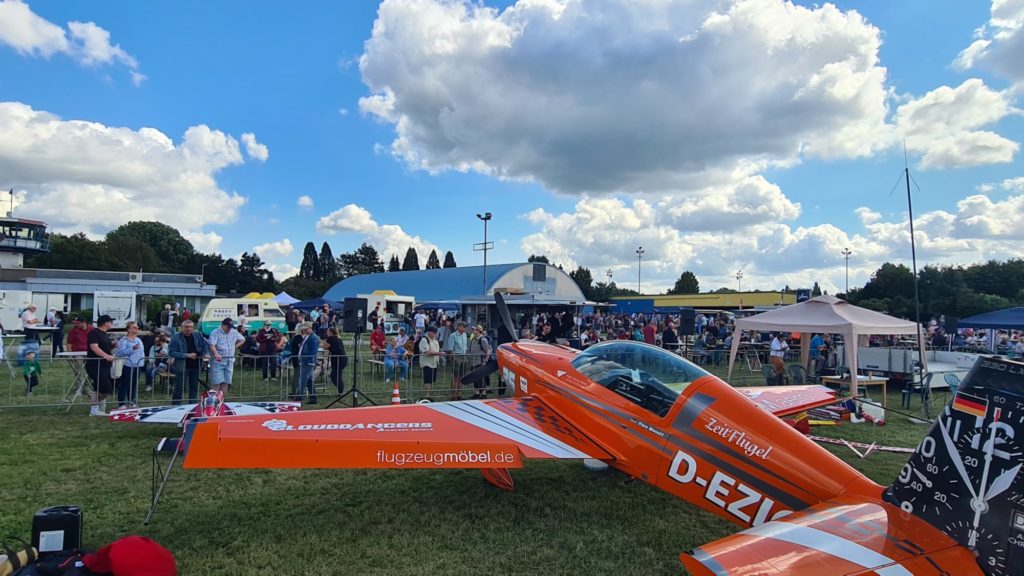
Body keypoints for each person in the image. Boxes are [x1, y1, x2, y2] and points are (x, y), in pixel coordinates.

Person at [169, 320, 209, 405]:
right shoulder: (176, 337)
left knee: (194, 387)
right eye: (186, 327)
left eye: (190, 327)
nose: (189, 329)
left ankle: (192, 405)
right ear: (182, 327)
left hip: (196, 365)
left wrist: (205, 353)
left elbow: (205, 344)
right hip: (182, 366)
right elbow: (171, 352)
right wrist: (186, 355)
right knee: (179, 388)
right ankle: (175, 406)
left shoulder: (198, 335)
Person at [87, 315, 116, 416]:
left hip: (105, 365)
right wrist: (106, 356)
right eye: (111, 321)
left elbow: (104, 347)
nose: (112, 323)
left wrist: (113, 346)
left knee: (99, 387)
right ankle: (94, 405)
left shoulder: (105, 334)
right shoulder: (94, 333)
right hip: (95, 364)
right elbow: (94, 347)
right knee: (105, 388)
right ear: (105, 323)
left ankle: (94, 408)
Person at [208, 317, 245, 396]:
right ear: (223, 325)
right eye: (228, 327)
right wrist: (216, 353)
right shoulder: (215, 332)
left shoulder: (234, 332)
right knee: (216, 383)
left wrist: (235, 346)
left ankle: (222, 402)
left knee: (226, 383)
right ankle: (213, 402)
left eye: (230, 327)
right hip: (218, 362)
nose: (229, 329)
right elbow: (212, 344)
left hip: (229, 361)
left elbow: (242, 339)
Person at [114, 321, 145, 409]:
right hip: (127, 365)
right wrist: (132, 348)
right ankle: (121, 403)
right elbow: (119, 353)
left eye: (137, 327)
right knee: (125, 384)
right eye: (134, 327)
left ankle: (132, 401)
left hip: (138, 365)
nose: (136, 329)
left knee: (134, 384)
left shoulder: (139, 340)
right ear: (128, 329)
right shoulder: (124, 340)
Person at [294, 322, 320, 404]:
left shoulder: (313, 338)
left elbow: (313, 352)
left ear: (310, 328)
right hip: (305, 361)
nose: (304, 330)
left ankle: (299, 396)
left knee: (303, 379)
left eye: (305, 329)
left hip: (308, 362)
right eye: (303, 329)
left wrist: (307, 359)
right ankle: (313, 397)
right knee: (309, 381)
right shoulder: (308, 336)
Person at [468, 325, 492, 399]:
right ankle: (477, 393)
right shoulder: (473, 339)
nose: (473, 331)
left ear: (478, 331)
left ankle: (484, 393)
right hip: (473, 362)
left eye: (474, 329)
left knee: (481, 378)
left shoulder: (483, 340)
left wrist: (485, 361)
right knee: (475, 378)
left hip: (480, 362)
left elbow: (488, 350)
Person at [446, 322, 469, 400]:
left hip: (463, 356)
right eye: (463, 327)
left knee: (462, 377)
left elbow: (465, 347)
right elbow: (450, 348)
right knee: (455, 377)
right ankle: (454, 395)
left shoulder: (465, 335)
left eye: (465, 327)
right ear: (459, 327)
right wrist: (453, 357)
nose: (464, 328)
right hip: (457, 355)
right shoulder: (453, 335)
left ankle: (459, 394)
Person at [418, 327, 441, 401]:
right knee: (427, 380)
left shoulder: (434, 340)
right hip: (427, 363)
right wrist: (439, 353)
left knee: (431, 380)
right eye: (434, 332)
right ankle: (426, 396)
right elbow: (427, 352)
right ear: (430, 332)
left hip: (434, 362)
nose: (435, 334)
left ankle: (428, 394)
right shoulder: (425, 339)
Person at [323, 326, 347, 394]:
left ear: (330, 332)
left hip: (337, 359)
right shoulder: (339, 338)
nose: (326, 333)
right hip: (342, 358)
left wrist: (324, 341)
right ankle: (340, 391)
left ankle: (341, 390)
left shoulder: (330, 338)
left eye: (327, 331)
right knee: (338, 375)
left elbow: (325, 347)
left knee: (334, 376)